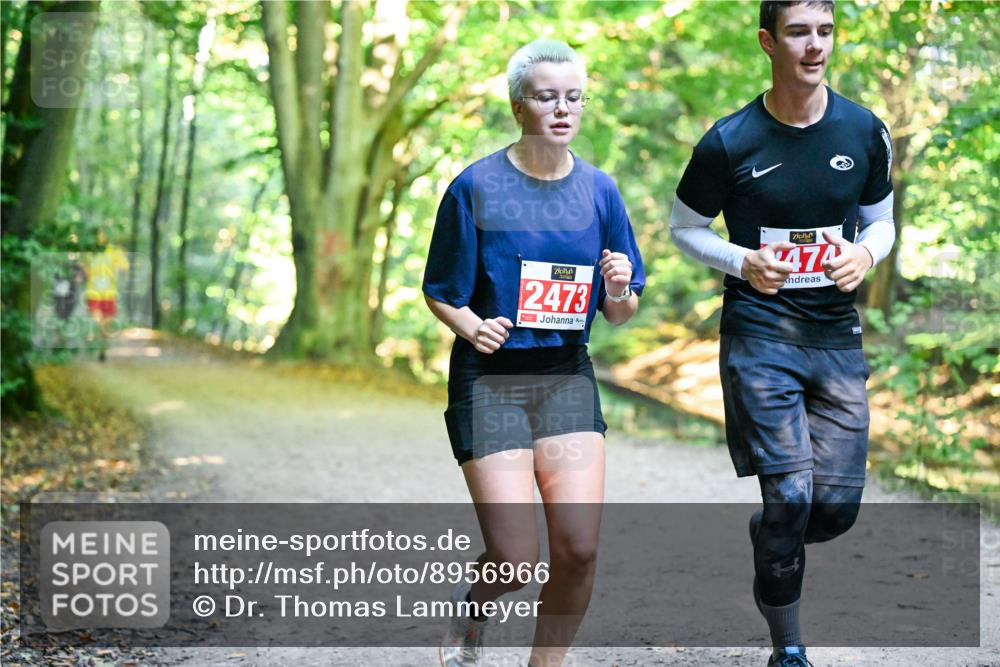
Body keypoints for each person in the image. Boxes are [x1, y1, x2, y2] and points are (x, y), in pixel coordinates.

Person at [668, 2, 896, 665]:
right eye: (798, 32)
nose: (814, 45)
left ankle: (774, 530)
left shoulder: (864, 130)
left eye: (824, 31)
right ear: (769, 41)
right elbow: (684, 229)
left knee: (834, 510)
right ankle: (788, 646)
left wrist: (867, 254)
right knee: (792, 494)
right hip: (759, 332)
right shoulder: (729, 141)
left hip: (834, 335)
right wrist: (741, 260)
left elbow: (879, 221)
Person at [423, 39, 645, 667]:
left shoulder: (600, 193)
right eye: (547, 96)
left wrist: (622, 287)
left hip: (565, 378)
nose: (562, 108)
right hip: (489, 380)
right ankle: (473, 608)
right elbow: (441, 291)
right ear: (519, 105)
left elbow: (619, 311)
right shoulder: (476, 188)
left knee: (577, 549)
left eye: (573, 97)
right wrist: (470, 326)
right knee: (516, 559)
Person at [85, 229, 130, 361]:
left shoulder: (114, 251)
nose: (100, 237)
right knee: (96, 318)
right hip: (93, 292)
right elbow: (85, 270)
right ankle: (94, 337)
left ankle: (102, 347)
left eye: (102, 234)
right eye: (97, 235)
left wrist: (117, 267)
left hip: (109, 293)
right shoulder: (89, 252)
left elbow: (125, 266)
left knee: (106, 321)